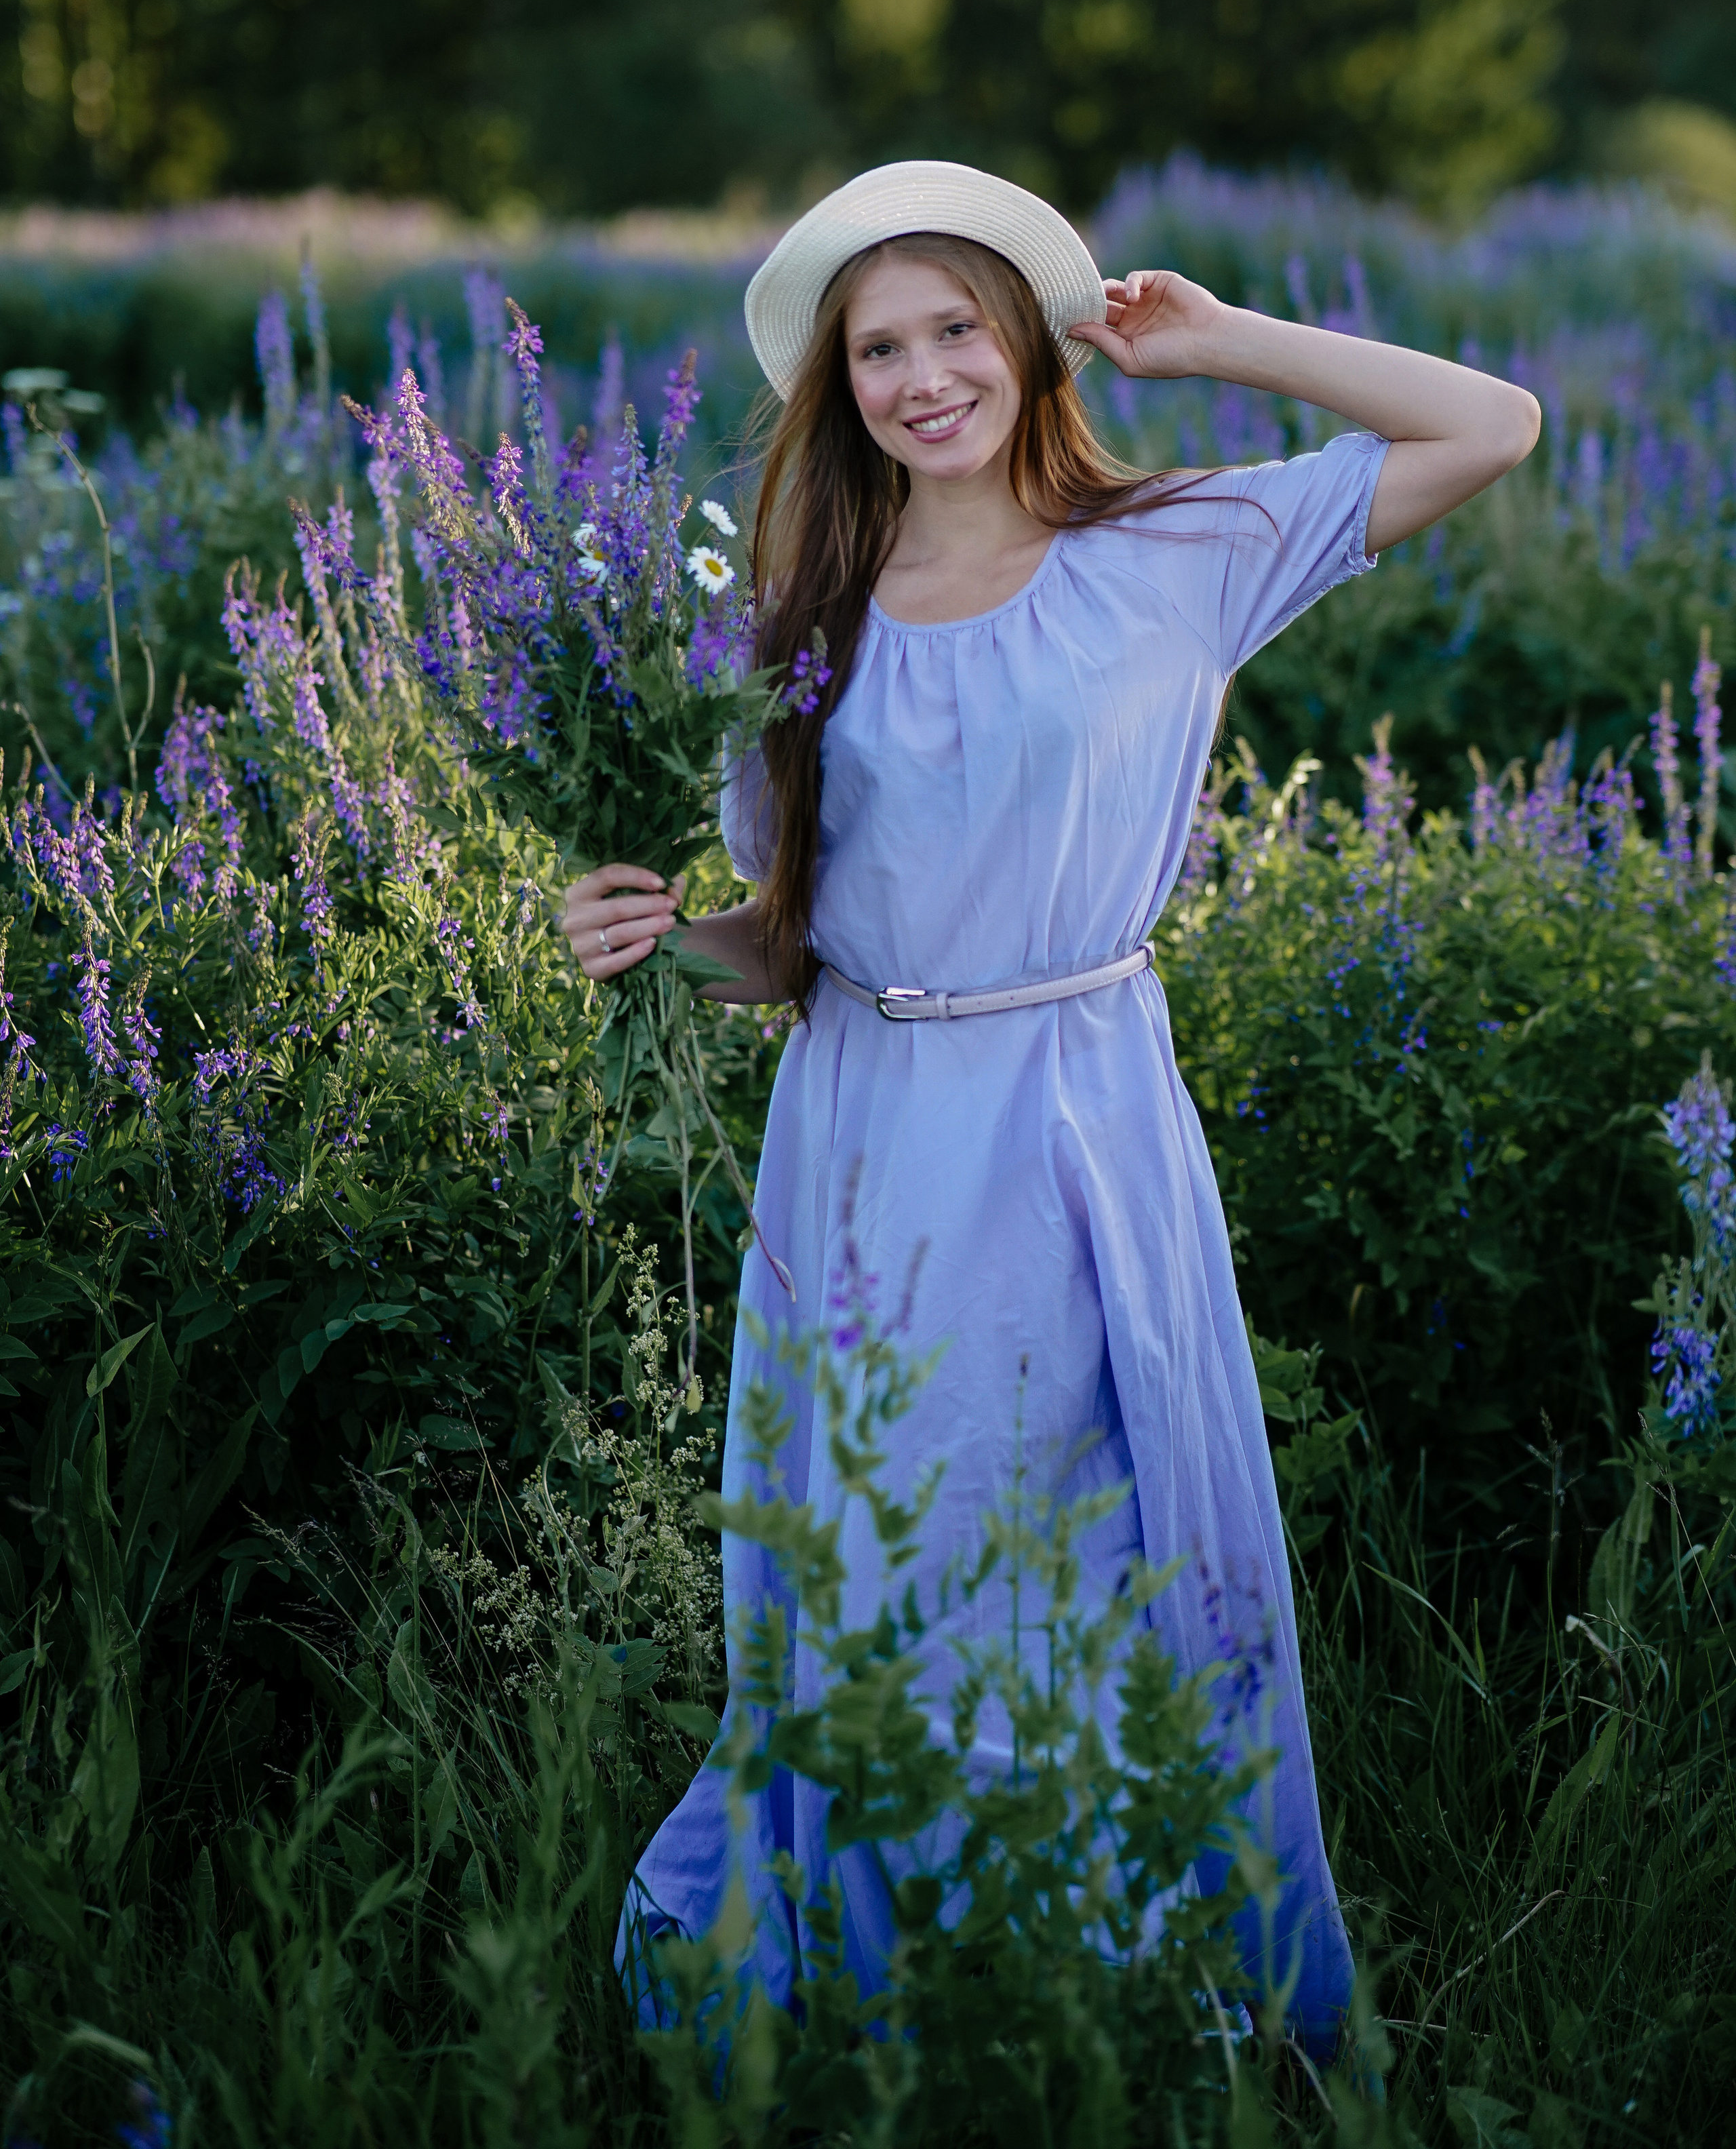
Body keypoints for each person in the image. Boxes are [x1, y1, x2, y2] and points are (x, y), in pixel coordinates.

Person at [559, 160, 1539, 2059]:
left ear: (1026, 340)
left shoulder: (1178, 547)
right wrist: (659, 946)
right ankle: (905, 1988)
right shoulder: (799, 617)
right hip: (867, 1133)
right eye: (879, 350)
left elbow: (1491, 423)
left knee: (1100, 1536)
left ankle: (1111, 1971)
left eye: (957, 329)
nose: (924, 376)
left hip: (1083, 1115)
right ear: (838, 386)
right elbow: (796, 944)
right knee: (891, 1548)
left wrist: (1220, 340)